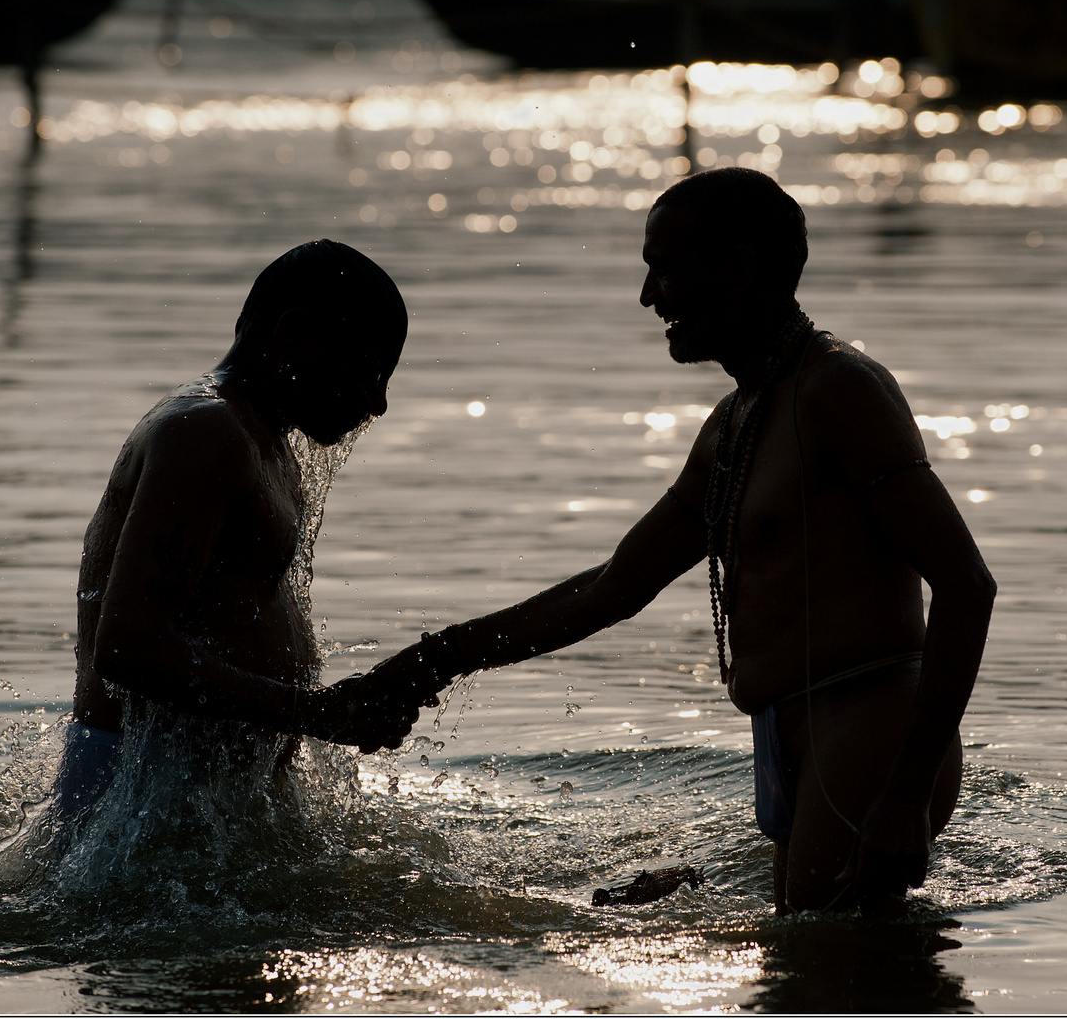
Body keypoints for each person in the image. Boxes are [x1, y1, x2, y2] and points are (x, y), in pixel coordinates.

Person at [370, 170, 996, 912]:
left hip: (868, 733)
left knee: (826, 977)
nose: (648, 296)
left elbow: (965, 585)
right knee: (801, 972)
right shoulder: (734, 425)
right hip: (789, 736)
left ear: (736, 269)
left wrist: (905, 793)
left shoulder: (839, 391)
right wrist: (433, 659)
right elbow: (613, 587)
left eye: (664, 269)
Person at [58, 239, 443, 836]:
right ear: (292, 335)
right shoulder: (205, 434)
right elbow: (128, 649)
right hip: (137, 791)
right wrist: (313, 714)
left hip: (189, 791)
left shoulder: (260, 438)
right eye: (369, 370)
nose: (379, 402)